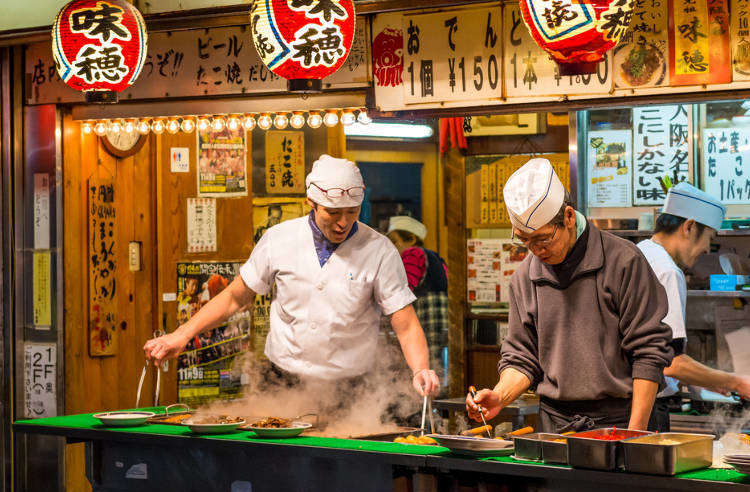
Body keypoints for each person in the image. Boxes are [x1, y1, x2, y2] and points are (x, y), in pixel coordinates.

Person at [144, 154, 440, 398]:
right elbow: (235, 298)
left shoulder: (379, 249)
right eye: (332, 212)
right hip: (283, 380)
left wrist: (420, 369)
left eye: (352, 212)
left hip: (352, 388)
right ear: (310, 203)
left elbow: (405, 323)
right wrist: (181, 335)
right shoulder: (279, 239)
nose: (343, 222)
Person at [466, 158, 674, 433]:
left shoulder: (623, 262)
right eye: (523, 240)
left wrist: (634, 435)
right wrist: (500, 396)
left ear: (568, 217)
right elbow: (522, 356)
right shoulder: (525, 277)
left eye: (542, 239)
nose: (534, 250)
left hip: (621, 419)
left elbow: (648, 353)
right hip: (555, 425)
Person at [637, 182, 750, 431]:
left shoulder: (640, 253)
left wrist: (708, 380)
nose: (708, 249)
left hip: (627, 405)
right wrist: (737, 383)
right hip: (649, 408)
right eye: (709, 238)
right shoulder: (667, 270)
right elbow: (671, 362)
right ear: (689, 227)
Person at [386, 216, 449, 386]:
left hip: (425, 318)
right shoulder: (436, 257)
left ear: (412, 239)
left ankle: (421, 400)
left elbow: (404, 288)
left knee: (421, 365)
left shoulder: (412, 253)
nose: (391, 247)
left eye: (394, 241)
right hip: (443, 319)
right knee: (435, 365)